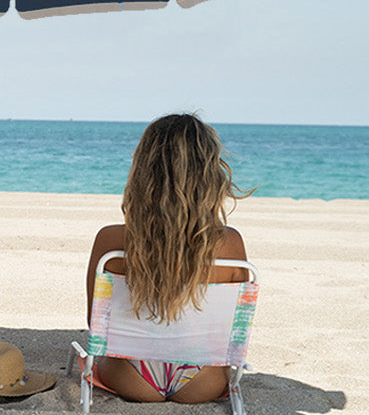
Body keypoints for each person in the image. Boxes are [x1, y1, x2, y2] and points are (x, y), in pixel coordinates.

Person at [86, 113, 252, 403]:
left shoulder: (110, 240)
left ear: (142, 172)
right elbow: (231, 332)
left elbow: (97, 323)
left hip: (132, 376)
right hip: (202, 381)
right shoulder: (230, 244)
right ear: (209, 175)